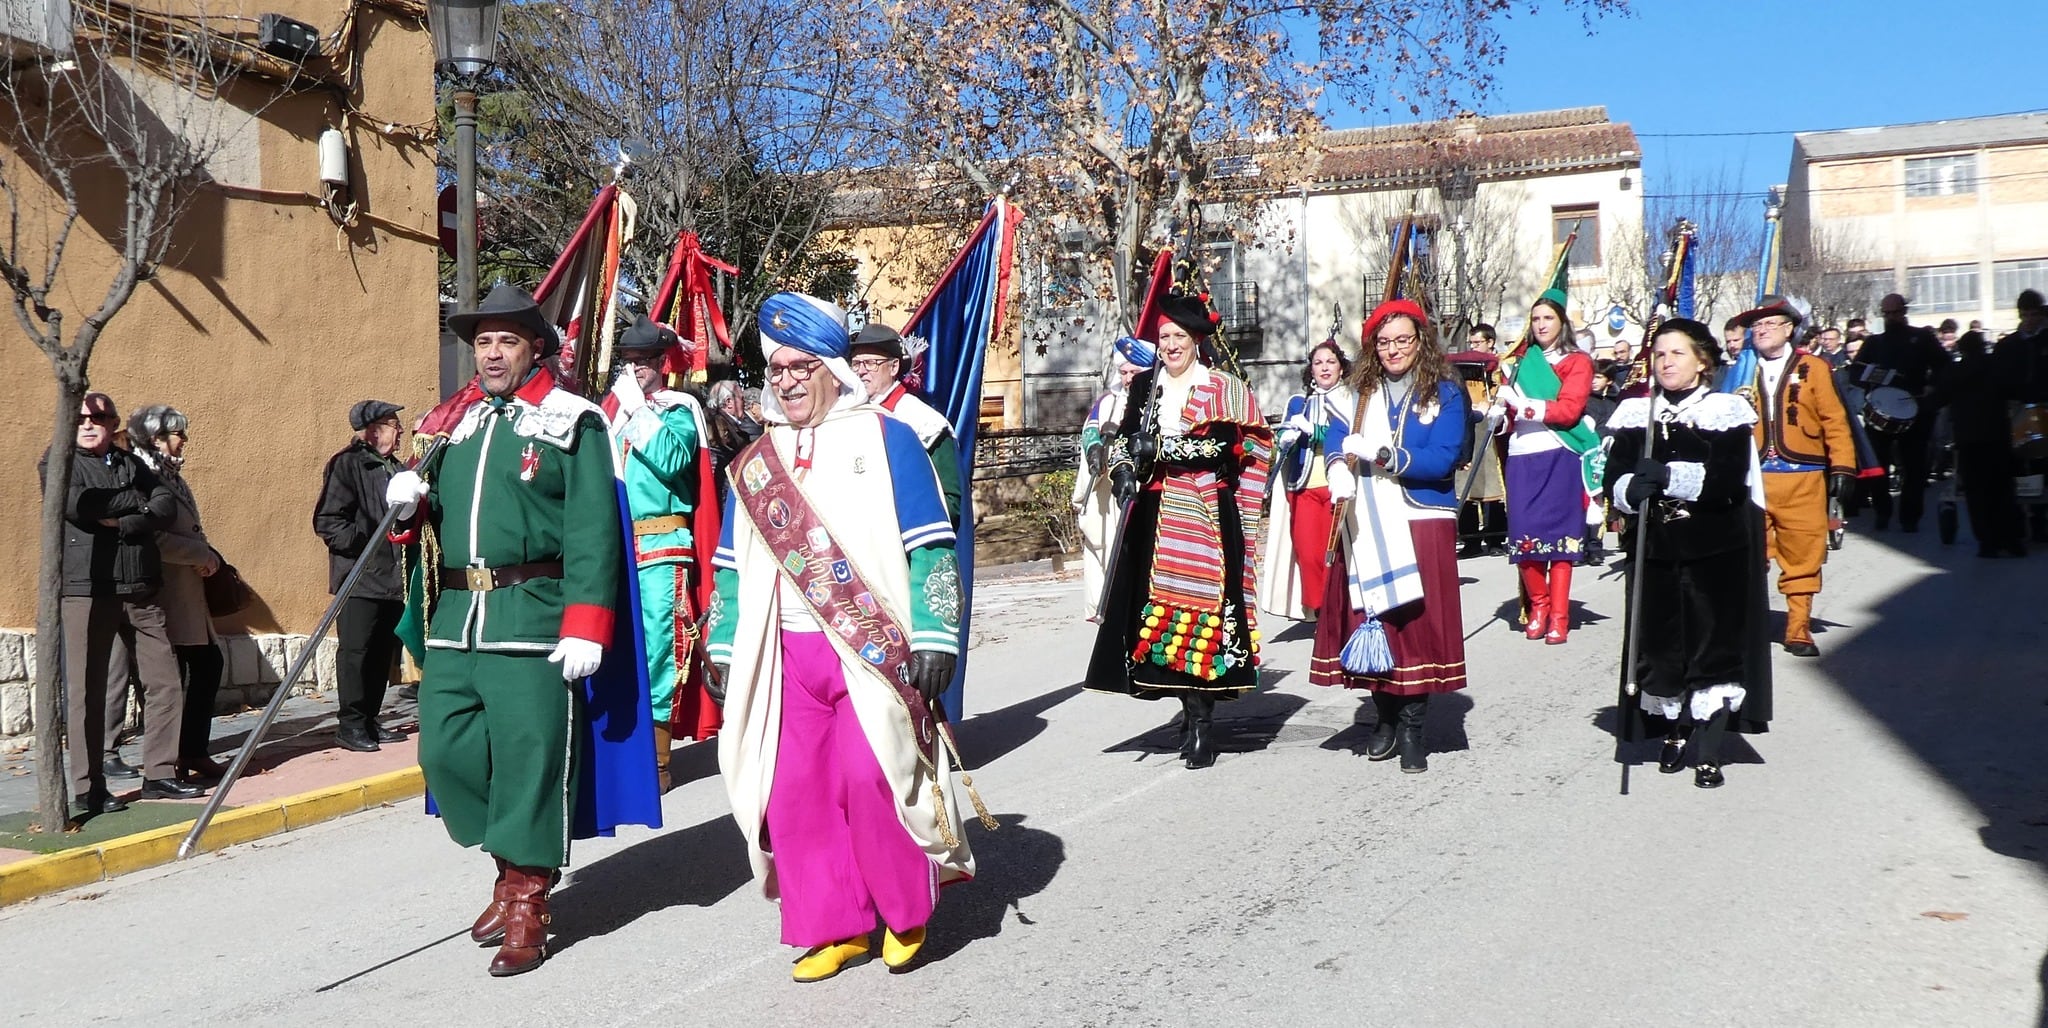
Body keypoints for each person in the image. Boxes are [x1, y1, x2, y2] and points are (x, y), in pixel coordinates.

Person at [705, 291, 979, 983]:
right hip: (785, 655)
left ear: (833, 369)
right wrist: (723, 645)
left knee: (872, 775)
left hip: (869, 647)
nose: (788, 380)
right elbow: (732, 569)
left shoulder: (890, 440)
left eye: (801, 366)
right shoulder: (755, 463)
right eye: (777, 369)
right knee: (792, 791)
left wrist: (938, 636)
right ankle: (834, 925)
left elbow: (931, 546)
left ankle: (904, 909)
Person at [384, 283, 655, 977]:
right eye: (482, 342)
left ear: (534, 346)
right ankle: (511, 867)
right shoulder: (454, 424)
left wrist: (587, 622)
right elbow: (430, 521)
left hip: (532, 616)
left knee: (531, 761)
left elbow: (592, 528)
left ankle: (526, 897)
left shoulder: (573, 421)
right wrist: (411, 504)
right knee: (445, 756)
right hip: (455, 623)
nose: (493, 353)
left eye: (506, 340)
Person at [1085, 293, 1273, 770]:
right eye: (1164, 337)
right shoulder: (1146, 385)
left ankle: (1203, 721)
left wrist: (1164, 449)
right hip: (1153, 512)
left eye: (1178, 338)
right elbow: (1128, 435)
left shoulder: (1221, 387)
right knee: (1156, 615)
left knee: (1203, 610)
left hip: (1205, 510)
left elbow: (1226, 446)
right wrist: (1126, 466)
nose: (1169, 345)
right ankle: (1183, 710)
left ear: (1196, 342)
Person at [1605, 319, 1773, 789]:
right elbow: (1612, 477)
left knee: (1713, 649)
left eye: (1677, 354)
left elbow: (1726, 481)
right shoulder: (1637, 414)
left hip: (1713, 550)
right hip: (1655, 550)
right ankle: (1675, 731)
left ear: (1702, 362)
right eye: (1659, 354)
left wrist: (1671, 476)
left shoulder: (1726, 412)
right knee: (1661, 652)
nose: (1665, 362)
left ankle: (1710, 749)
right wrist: (1627, 488)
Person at [1309, 299, 1469, 773]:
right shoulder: (1359, 392)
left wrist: (1385, 453)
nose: (1394, 349)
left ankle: (1413, 727)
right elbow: (1337, 437)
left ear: (1420, 341)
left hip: (1421, 516)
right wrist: (1337, 466)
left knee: (1413, 626)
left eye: (1403, 339)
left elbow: (1444, 457)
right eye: (1384, 342)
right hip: (1367, 515)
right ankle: (1383, 716)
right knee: (1372, 619)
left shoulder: (1445, 389)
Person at [46, 392, 202, 812]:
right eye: (81, 418)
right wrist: (138, 505)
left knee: (165, 682)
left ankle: (160, 775)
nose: (89, 423)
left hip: (140, 588)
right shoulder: (58, 460)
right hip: (88, 589)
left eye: (98, 417)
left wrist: (125, 515)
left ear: (113, 424)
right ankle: (87, 786)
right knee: (88, 689)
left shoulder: (130, 463)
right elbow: (80, 505)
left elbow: (165, 506)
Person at [603, 315, 721, 790]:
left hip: (662, 543)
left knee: (660, 650)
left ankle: (656, 761)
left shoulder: (677, 410)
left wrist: (638, 413)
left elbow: (673, 461)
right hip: (617, 546)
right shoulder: (614, 413)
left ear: (662, 364)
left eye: (644, 362)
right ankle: (622, 752)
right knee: (617, 649)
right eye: (629, 362)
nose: (636, 371)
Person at [1732, 296, 1857, 657]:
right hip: (1754, 478)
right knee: (1749, 553)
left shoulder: (1813, 367)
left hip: (1802, 476)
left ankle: (1798, 627)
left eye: (1769, 323)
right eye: (1756, 325)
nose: (1761, 330)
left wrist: (1843, 467)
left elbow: (1834, 420)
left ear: (1789, 328)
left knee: (1804, 554)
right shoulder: (1742, 371)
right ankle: (1747, 623)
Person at [129, 404, 229, 782]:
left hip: (188, 592)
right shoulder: (146, 475)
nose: (184, 439)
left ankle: (192, 751)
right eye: (177, 433)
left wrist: (209, 555)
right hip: (164, 593)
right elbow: (151, 535)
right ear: (156, 438)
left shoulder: (171, 474)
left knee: (205, 665)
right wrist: (199, 554)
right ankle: (171, 759)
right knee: (175, 678)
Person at [1495, 292, 1595, 644]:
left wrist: (1524, 406)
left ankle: (1559, 614)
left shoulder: (1578, 361)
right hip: (1523, 456)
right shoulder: (1521, 363)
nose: (1540, 325)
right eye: (1535, 319)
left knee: (1560, 538)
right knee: (1524, 534)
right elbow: (1510, 412)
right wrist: (1501, 414)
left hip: (1560, 452)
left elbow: (1568, 410)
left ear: (1561, 322)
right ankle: (1538, 603)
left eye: (1547, 319)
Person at [314, 399, 409, 753]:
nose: (400, 431)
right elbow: (327, 521)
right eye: (392, 423)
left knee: (382, 653)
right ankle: (350, 725)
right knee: (357, 653)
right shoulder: (348, 464)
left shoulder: (395, 468)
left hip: (391, 579)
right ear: (373, 430)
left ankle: (370, 719)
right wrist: (366, 545)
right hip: (360, 578)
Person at [1259, 337, 1354, 621]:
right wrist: (1285, 437)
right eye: (1318, 363)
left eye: (1331, 362)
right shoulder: (1298, 403)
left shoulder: (1351, 399)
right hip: (1303, 487)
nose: (1324, 368)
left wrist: (1314, 430)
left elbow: (1347, 434)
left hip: (1340, 487)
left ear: (1341, 367)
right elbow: (1284, 437)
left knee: (1340, 555)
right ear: (1310, 370)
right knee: (1310, 556)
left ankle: (1346, 611)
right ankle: (1323, 612)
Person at [1850, 293, 1949, 531]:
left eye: (1896, 313)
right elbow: (1855, 372)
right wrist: (1872, 379)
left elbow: (1944, 366)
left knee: (1915, 467)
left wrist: (1931, 386)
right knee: (1877, 466)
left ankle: (1910, 517)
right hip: (1881, 412)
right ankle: (1883, 511)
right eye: (1887, 313)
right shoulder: (1874, 343)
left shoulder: (1922, 337)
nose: (1892, 317)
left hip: (1915, 410)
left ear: (1904, 312)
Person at [850, 322, 962, 525]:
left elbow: (950, 503)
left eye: (870, 363)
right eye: (856, 364)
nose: (861, 371)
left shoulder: (925, 422)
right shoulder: (850, 417)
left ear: (893, 367)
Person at [1075, 337, 1150, 621]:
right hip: (1111, 494)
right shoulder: (1108, 400)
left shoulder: (1158, 398)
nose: (1128, 378)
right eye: (1124, 372)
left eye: (1135, 372)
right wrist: (1094, 446)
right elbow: (1091, 427)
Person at [1943, 323, 2025, 556]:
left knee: (1977, 493)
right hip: (1998, 437)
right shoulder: (1997, 368)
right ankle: (2012, 540)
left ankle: (1987, 542)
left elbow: (1938, 398)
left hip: (1968, 440)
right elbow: (2015, 391)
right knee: (2003, 490)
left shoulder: (1955, 372)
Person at [1993, 288, 2048, 544]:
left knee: (2042, 466)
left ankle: (2040, 521)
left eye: (2034, 314)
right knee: (2022, 467)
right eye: (2025, 314)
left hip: (2044, 408)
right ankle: (2023, 522)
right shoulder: (2009, 345)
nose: (2030, 319)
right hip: (2018, 412)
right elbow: (1997, 378)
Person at [1448, 330, 1507, 558]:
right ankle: (1470, 541)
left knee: (1491, 487)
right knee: (1465, 485)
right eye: (1470, 341)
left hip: (1490, 430)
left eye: (1478, 342)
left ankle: (1495, 540)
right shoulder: (1461, 370)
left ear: (1490, 342)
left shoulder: (1500, 367)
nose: (1473, 346)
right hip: (1468, 428)